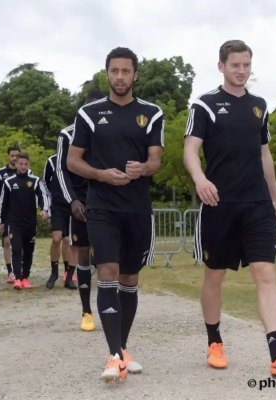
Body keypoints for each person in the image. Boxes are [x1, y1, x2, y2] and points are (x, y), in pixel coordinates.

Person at [183, 39, 276, 378]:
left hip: (257, 204)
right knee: (215, 275)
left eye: (246, 65)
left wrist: (275, 196)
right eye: (235, 65)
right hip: (219, 204)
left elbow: (264, 154)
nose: (241, 71)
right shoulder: (205, 105)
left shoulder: (259, 106)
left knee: (265, 274)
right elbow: (190, 149)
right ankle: (214, 342)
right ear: (221, 66)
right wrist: (200, 179)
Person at [67, 47, 162, 382]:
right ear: (106, 73)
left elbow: (155, 161)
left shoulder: (151, 113)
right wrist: (100, 174)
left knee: (130, 278)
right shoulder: (89, 113)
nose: (120, 77)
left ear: (135, 75)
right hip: (102, 206)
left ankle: (122, 348)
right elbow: (73, 161)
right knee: (108, 270)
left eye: (126, 71)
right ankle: (114, 356)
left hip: (137, 207)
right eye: (114, 71)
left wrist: (143, 169)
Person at [56, 89, 106, 331]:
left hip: (106, 201)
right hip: (81, 203)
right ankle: (86, 312)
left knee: (108, 257)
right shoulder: (67, 134)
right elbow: (61, 170)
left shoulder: (109, 131)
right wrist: (72, 200)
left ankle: (110, 308)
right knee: (83, 255)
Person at [0, 152, 49, 289]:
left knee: (28, 251)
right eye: (20, 164)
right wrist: (1, 221)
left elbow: (43, 196)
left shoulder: (35, 181)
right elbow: (3, 203)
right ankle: (17, 278)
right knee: (16, 249)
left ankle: (25, 277)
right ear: (16, 164)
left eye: (26, 164)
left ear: (29, 165)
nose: (23, 166)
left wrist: (44, 209)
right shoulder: (9, 182)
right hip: (14, 223)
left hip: (30, 223)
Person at [41, 153, 77, 289]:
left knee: (69, 241)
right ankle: (54, 273)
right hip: (57, 206)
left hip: (73, 205)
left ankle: (69, 276)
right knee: (56, 239)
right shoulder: (52, 160)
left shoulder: (77, 158)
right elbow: (44, 182)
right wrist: (51, 199)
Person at [0, 146, 22, 284]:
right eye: (12, 155)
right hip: (6, 212)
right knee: (7, 242)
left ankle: (20, 269)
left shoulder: (24, 172)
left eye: (16, 155)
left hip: (21, 213)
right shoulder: (0, 173)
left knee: (20, 242)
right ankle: (10, 271)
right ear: (8, 156)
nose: (14, 158)